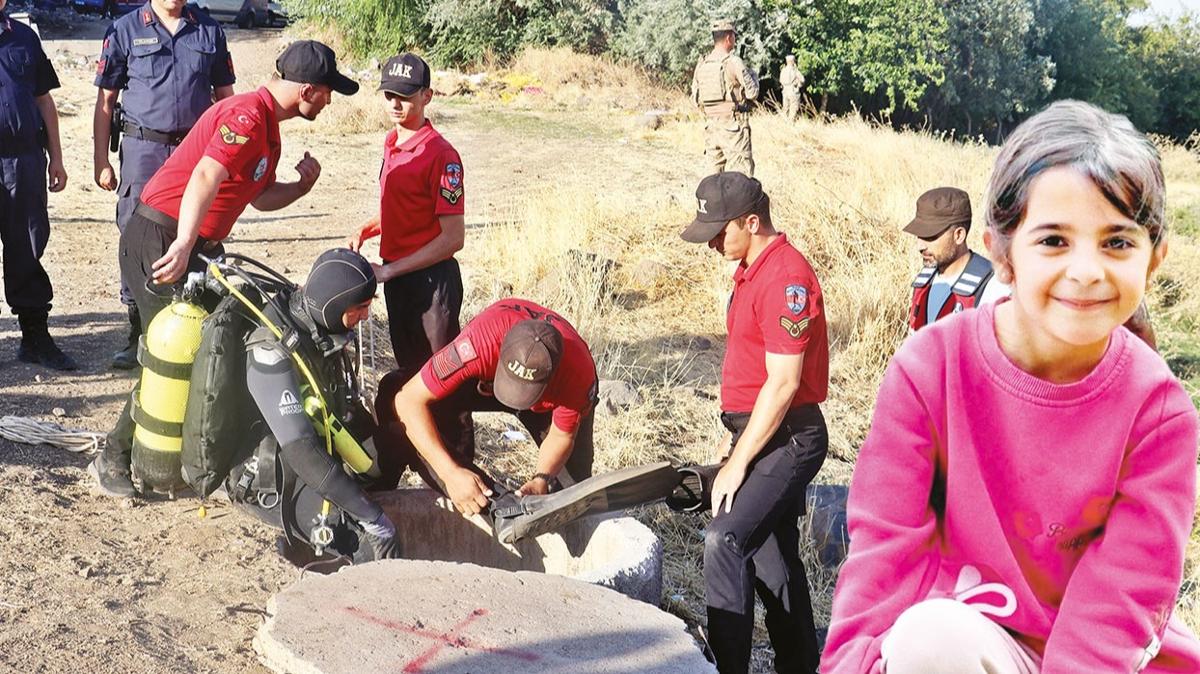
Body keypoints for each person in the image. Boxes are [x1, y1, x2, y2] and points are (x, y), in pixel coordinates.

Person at [821, 101, 1200, 673]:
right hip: (966, 646)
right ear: (1001, 252)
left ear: (1154, 260)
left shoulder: (1160, 412)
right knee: (929, 640)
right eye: (1053, 241)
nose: (1087, 270)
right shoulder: (928, 370)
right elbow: (883, 556)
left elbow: (1120, 603)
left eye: (1117, 242)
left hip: (1097, 661)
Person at [89, 40, 358, 498]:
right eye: (329, 91)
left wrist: (300, 187)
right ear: (308, 90)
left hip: (193, 243)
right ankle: (113, 456)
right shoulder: (247, 116)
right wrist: (184, 244)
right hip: (162, 237)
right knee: (170, 354)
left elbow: (259, 195)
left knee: (215, 346)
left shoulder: (269, 128)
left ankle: (197, 452)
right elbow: (205, 177)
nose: (331, 101)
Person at [679, 172, 828, 674]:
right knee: (772, 560)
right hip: (761, 431)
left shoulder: (786, 277)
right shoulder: (751, 268)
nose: (713, 243)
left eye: (721, 231)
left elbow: (784, 385)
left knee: (725, 540)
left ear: (751, 220)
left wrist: (737, 464)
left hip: (789, 435)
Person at [226, 248, 401, 561]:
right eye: (360, 307)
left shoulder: (322, 330)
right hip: (268, 470)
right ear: (332, 305)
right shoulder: (271, 348)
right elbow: (301, 450)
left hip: (315, 445)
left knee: (390, 454)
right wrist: (372, 519)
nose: (366, 316)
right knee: (362, 543)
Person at [93, 0, 236, 370]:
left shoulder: (208, 30)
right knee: (137, 235)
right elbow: (106, 101)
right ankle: (139, 330)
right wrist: (101, 161)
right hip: (144, 149)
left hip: (195, 153)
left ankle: (195, 328)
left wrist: (233, 155)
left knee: (197, 232)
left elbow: (226, 98)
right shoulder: (125, 30)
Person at [347, 52, 472, 459]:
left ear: (427, 96)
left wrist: (391, 269)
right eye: (388, 96)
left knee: (443, 378)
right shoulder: (391, 141)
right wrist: (371, 225)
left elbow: (453, 237)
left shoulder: (443, 155)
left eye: (405, 96)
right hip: (397, 279)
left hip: (431, 284)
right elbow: (405, 207)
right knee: (410, 374)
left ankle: (458, 461)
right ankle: (423, 454)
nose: (395, 105)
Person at [382, 298, 597, 517]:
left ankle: (545, 511)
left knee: (572, 493)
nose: (517, 400)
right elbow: (407, 399)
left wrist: (542, 478)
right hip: (487, 375)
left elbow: (562, 436)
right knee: (393, 390)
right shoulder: (478, 344)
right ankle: (493, 503)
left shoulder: (578, 374)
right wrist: (449, 473)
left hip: (553, 394)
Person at [0, 0, 75, 370]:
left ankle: (35, 338)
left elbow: (44, 101)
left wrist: (56, 157)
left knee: (27, 245)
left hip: (23, 159)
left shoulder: (25, 38)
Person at [904, 186, 1007, 332]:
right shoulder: (924, 282)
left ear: (958, 235)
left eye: (930, 236)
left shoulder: (994, 288)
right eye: (919, 236)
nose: (920, 246)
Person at [691, 19, 759, 176]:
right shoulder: (733, 62)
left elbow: (695, 99)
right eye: (734, 36)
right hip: (733, 126)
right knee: (741, 178)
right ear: (729, 38)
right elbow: (752, 93)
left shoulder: (702, 64)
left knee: (713, 179)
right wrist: (753, 76)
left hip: (710, 128)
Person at [778, 54, 803, 122]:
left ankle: (784, 124)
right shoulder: (795, 70)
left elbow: (780, 80)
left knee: (785, 108)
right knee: (793, 108)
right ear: (793, 61)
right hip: (793, 90)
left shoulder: (783, 70)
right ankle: (791, 124)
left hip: (785, 91)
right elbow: (802, 79)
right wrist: (798, 84)